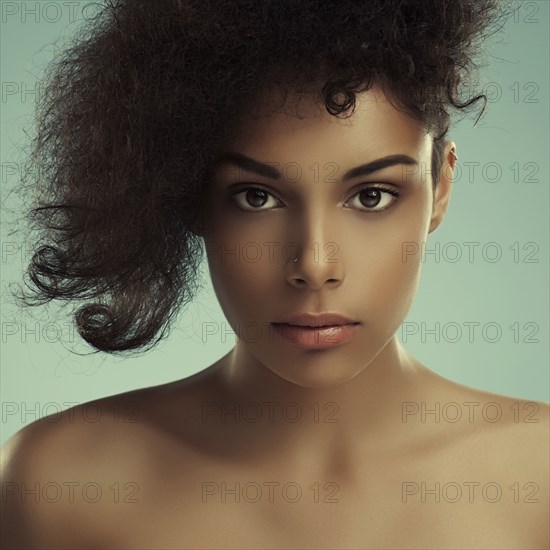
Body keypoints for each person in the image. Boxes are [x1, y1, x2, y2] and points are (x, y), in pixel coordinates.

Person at [1, 0, 548, 548]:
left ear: (441, 190)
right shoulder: (60, 485)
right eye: (256, 197)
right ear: (186, 195)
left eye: (372, 195)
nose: (314, 264)